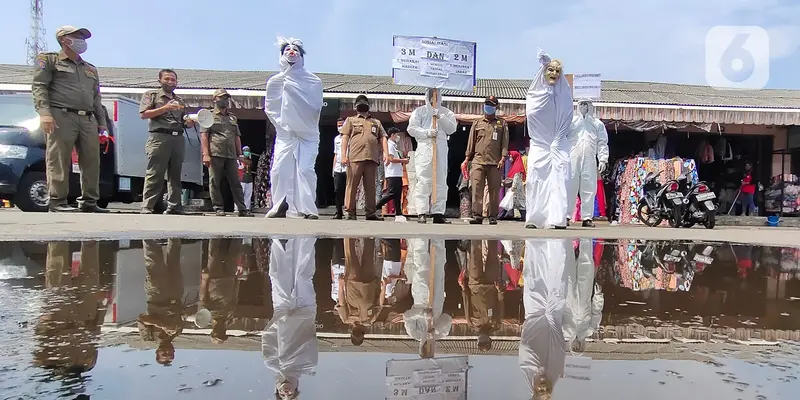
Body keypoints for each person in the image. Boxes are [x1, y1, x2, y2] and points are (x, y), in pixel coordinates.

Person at [31, 26, 108, 213]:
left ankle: (89, 201)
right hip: (61, 115)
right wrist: (45, 113)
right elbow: (39, 86)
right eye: (77, 36)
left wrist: (102, 123)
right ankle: (58, 201)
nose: (82, 40)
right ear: (64, 39)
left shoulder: (90, 68)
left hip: (88, 118)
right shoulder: (49, 60)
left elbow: (96, 98)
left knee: (91, 160)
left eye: (83, 37)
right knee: (59, 158)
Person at [264, 37, 324, 219]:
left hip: (308, 134)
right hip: (285, 133)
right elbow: (271, 108)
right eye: (287, 49)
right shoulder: (275, 82)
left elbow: (315, 107)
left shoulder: (313, 81)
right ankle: (279, 204)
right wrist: (284, 126)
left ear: (302, 55)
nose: (291, 52)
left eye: (296, 49)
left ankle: (307, 208)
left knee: (305, 170)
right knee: (279, 168)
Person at [262, 237, 318, 400]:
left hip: (282, 312)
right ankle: (305, 239)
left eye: (282, 394)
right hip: (305, 310)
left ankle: (279, 241)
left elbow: (268, 336)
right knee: (302, 277)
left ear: (277, 390)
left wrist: (281, 321)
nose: (286, 393)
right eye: (290, 395)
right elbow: (309, 338)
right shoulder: (308, 365)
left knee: (277, 277)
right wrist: (293, 321)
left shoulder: (272, 362)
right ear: (295, 390)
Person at [524, 50, 573, 229]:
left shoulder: (564, 95)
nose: (554, 73)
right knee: (536, 179)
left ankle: (557, 218)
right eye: (550, 69)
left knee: (561, 179)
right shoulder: (535, 95)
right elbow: (533, 114)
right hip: (540, 144)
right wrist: (546, 95)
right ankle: (535, 218)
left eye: (557, 71)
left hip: (558, 144)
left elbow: (567, 116)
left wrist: (558, 140)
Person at [519, 238, 572, 399]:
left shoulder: (526, 364)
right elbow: (559, 341)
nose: (543, 388)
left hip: (534, 311)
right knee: (557, 276)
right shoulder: (555, 367)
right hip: (552, 313)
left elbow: (526, 337)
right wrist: (550, 315)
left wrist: (538, 367)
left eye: (539, 391)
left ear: (533, 389)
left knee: (534, 275)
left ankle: (536, 241)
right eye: (546, 391)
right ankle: (557, 239)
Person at [139, 68, 194, 214]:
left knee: (175, 174)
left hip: (177, 138)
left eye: (173, 79)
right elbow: (144, 114)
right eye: (167, 79)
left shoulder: (180, 100)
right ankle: (148, 206)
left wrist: (188, 123)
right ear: (160, 81)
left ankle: (174, 206)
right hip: (159, 137)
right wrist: (165, 108)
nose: (170, 82)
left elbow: (183, 119)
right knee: (155, 172)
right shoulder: (152, 95)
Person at [407, 88, 457, 224]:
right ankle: (421, 212)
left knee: (440, 182)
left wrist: (440, 117)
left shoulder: (446, 112)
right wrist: (426, 133)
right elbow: (411, 129)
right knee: (423, 181)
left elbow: (452, 129)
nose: (432, 97)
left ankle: (438, 212)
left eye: (435, 94)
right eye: (430, 94)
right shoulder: (420, 111)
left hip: (440, 150)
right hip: (424, 149)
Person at [200, 88, 253, 217]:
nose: (224, 100)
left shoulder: (232, 118)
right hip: (215, 153)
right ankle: (218, 207)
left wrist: (240, 154)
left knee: (236, 182)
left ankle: (242, 208)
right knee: (215, 181)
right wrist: (205, 154)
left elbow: (236, 137)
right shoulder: (208, 116)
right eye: (221, 97)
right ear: (215, 99)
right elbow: (204, 136)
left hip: (231, 154)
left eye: (226, 98)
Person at [341, 95, 389, 221]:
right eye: (359, 103)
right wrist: (343, 155)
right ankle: (350, 212)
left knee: (371, 186)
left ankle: (371, 213)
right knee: (352, 185)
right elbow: (345, 137)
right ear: (355, 106)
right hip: (355, 157)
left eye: (364, 103)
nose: (362, 105)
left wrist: (386, 153)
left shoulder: (376, 122)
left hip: (371, 158)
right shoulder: (350, 120)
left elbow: (383, 137)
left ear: (368, 105)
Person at [463, 96, 509, 225]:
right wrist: (467, 158)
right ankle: (477, 215)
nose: (488, 107)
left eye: (491, 105)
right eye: (487, 104)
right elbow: (471, 142)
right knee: (477, 188)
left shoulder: (502, 123)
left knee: (494, 190)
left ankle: (492, 215)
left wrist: (503, 158)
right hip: (478, 161)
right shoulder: (477, 123)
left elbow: (505, 142)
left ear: (496, 107)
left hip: (495, 162)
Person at [404, 238, 452, 358]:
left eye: (426, 348)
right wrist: (435, 329)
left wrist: (422, 313)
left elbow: (406, 316)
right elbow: (448, 318)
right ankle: (438, 236)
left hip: (421, 296)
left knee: (421, 263)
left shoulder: (414, 333)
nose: (428, 346)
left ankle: (420, 236)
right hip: (437, 295)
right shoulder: (440, 334)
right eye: (430, 349)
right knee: (439, 263)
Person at [140, 239, 184, 365]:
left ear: (157, 352)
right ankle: (174, 229)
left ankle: (149, 229)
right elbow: (182, 315)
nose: (168, 352)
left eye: (164, 355)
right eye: (171, 354)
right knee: (174, 257)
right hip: (176, 293)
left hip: (157, 294)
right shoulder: (177, 332)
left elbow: (142, 318)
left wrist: (162, 324)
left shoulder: (149, 337)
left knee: (153, 258)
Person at [567, 100, 609, 227]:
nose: (584, 107)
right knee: (570, 186)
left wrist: (603, 159)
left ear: (591, 107)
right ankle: (566, 216)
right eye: (582, 104)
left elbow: (602, 142)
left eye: (586, 105)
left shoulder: (597, 124)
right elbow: (562, 138)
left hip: (590, 159)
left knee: (589, 187)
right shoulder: (571, 122)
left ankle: (587, 217)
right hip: (572, 158)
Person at [562, 239, 603, 353]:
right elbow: (596, 311)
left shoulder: (564, 330)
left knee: (567, 263)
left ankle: (567, 238)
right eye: (579, 348)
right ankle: (586, 239)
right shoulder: (590, 330)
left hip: (568, 294)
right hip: (585, 292)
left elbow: (556, 313)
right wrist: (598, 296)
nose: (576, 345)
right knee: (586, 264)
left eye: (574, 348)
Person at [376, 127, 409, 222]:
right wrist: (403, 160)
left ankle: (398, 213)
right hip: (392, 173)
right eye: (397, 135)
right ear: (392, 135)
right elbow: (390, 159)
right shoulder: (389, 145)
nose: (398, 137)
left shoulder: (394, 146)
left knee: (397, 194)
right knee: (391, 193)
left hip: (397, 173)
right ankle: (375, 207)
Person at [332, 118, 348, 219]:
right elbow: (336, 154)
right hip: (338, 167)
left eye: (342, 125)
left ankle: (348, 211)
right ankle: (338, 212)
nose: (340, 127)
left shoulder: (349, 138)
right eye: (338, 125)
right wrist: (333, 168)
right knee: (337, 190)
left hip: (347, 167)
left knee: (348, 190)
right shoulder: (336, 139)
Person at [239, 146, 255, 211]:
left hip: (249, 179)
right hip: (242, 179)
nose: (247, 152)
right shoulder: (239, 159)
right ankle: (238, 208)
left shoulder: (250, 160)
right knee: (240, 195)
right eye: (245, 151)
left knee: (248, 195)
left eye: (248, 151)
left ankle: (247, 208)